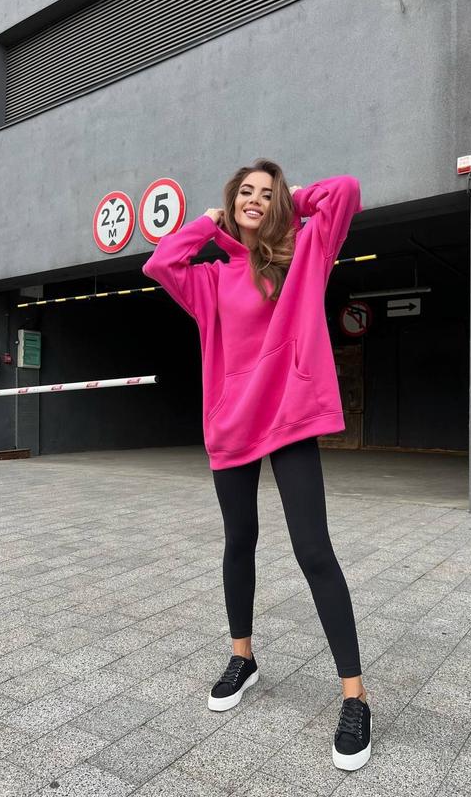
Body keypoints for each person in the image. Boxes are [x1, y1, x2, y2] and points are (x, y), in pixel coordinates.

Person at [142, 159, 371, 770]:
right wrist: (207, 223)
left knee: (314, 550)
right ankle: (242, 657)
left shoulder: (303, 256)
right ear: (230, 201)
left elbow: (345, 191)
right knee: (238, 540)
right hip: (233, 425)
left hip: (290, 418)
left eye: (266, 194)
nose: (255, 199)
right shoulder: (212, 279)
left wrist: (289, 205)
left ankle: (355, 697)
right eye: (245, 191)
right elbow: (160, 264)